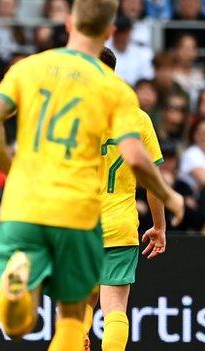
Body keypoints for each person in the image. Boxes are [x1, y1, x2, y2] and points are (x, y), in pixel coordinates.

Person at [0, 0, 184, 349]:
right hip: (93, 217)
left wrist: (8, 166)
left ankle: (19, 292)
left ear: (69, 24)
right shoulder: (119, 97)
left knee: (26, 324)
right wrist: (168, 199)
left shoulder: (32, 68)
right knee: (101, 309)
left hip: (29, 205)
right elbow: (136, 160)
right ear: (110, 32)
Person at [81, 47, 167, 351]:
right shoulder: (137, 119)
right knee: (115, 305)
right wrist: (159, 226)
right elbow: (152, 181)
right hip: (119, 226)